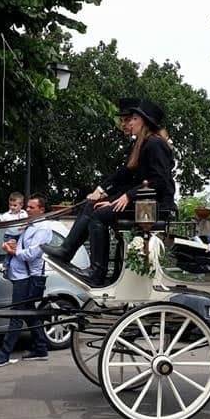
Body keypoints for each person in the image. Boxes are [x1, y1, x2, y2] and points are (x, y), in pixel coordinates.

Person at [43, 98, 176, 286]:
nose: (128, 123)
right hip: (142, 202)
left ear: (144, 121)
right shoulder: (141, 144)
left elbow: (159, 181)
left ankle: (97, 272)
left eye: (133, 119)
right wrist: (105, 194)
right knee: (92, 205)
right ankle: (67, 250)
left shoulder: (154, 144)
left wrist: (128, 196)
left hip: (154, 206)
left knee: (98, 216)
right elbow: (125, 175)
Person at [0, 194, 52, 367]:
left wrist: (13, 252)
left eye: (31, 207)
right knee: (28, 312)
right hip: (20, 275)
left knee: (16, 315)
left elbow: (33, 254)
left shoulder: (43, 228)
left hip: (28, 277)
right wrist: (10, 243)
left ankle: (3, 355)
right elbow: (21, 244)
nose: (27, 209)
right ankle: (41, 348)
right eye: (28, 207)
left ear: (41, 209)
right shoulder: (29, 224)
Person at [0, 192, 27, 278]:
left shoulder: (23, 214)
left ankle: (7, 267)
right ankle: (5, 266)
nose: (12, 207)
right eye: (10, 205)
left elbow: (26, 223)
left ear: (21, 205)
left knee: (16, 252)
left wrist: (23, 226)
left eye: (15, 205)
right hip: (9, 236)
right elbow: (1, 223)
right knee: (10, 252)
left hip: (20, 236)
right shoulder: (6, 215)